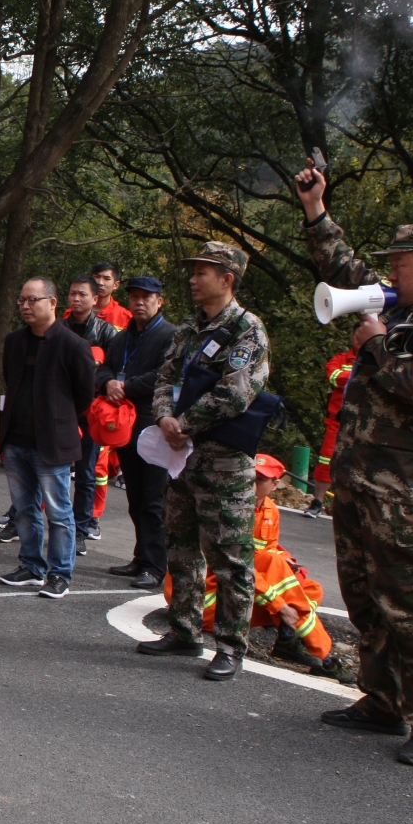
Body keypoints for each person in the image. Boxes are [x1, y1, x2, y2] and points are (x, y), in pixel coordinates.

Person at [297, 160, 413, 767]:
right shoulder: (400, 307)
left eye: (401, 265)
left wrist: (373, 343)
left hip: (407, 494)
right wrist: (315, 209)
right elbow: (343, 268)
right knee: (363, 595)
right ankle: (380, 699)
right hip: (358, 481)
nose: (390, 274)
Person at [132, 242, 269, 681]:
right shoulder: (189, 328)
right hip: (183, 458)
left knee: (230, 557)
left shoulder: (247, 330)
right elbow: (165, 376)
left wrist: (184, 422)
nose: (193, 278)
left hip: (224, 461)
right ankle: (184, 630)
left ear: (227, 279)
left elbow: (237, 392)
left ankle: (230, 646)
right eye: (193, 270)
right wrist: (164, 417)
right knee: (182, 546)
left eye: (203, 271)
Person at [171, 455, 337, 673]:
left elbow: (267, 550)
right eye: (248, 476)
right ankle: (320, 654)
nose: (251, 483)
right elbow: (239, 567)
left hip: (240, 590)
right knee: (277, 573)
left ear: (275, 485)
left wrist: (287, 561)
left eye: (259, 479)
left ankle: (287, 636)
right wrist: (280, 606)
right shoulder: (227, 507)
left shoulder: (270, 510)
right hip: (208, 598)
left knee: (312, 588)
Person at [0, 278, 96, 598]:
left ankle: (60, 573)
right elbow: (12, 382)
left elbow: (84, 395)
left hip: (52, 442)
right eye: (22, 301)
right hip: (16, 440)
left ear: (52, 303)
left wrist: (58, 419)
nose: (25, 306)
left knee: (58, 512)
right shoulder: (14, 341)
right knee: (24, 509)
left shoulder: (73, 345)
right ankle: (32, 565)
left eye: (32, 300)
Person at [98, 275, 174, 590]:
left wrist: (126, 386)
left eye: (147, 297)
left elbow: (164, 375)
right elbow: (103, 366)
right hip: (125, 424)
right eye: (134, 296)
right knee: (134, 497)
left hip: (154, 423)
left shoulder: (169, 335)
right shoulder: (123, 336)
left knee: (154, 499)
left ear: (159, 301)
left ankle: (156, 566)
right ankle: (141, 557)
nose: (139, 302)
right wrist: (108, 383)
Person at [62, 274, 120, 547]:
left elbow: (114, 370)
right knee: (47, 468)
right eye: (72, 293)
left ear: (94, 299)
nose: (76, 299)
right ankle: (25, 519)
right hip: (60, 407)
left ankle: (81, 529)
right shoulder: (58, 328)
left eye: (82, 294)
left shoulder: (108, 333)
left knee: (86, 472)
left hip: (91, 410)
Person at [306, 347, 358, 515]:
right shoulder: (341, 358)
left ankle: (352, 508)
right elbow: (334, 377)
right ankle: (318, 502)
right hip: (337, 420)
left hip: (366, 424)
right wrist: (361, 377)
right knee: (326, 460)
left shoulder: (381, 357)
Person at [88, 261, 132, 328]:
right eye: (97, 277)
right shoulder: (74, 312)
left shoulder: (125, 317)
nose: (100, 283)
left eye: (107, 278)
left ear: (116, 285)